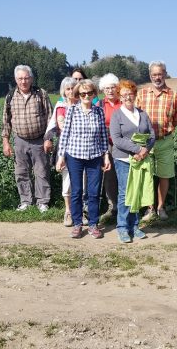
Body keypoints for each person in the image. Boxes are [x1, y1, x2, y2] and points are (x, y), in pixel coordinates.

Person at [56, 80, 111, 239]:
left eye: (89, 93)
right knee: (77, 191)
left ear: (94, 94)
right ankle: (78, 224)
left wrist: (105, 156)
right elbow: (65, 135)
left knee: (94, 193)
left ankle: (93, 224)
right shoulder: (72, 111)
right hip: (74, 156)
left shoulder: (99, 112)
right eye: (82, 94)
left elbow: (103, 136)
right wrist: (61, 157)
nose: (86, 96)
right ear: (78, 95)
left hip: (94, 157)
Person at [1, 65, 53, 213]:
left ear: (31, 78)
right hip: (20, 140)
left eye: (26, 78)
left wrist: (48, 138)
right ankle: (25, 201)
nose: (23, 81)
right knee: (21, 172)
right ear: (16, 79)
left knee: (42, 171)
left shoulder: (41, 94)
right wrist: (5, 142)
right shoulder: (10, 96)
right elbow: (5, 121)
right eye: (20, 78)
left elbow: (50, 117)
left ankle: (43, 202)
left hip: (39, 139)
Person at [136, 61, 177, 221]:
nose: (157, 77)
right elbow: (135, 118)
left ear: (165, 74)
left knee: (164, 175)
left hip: (165, 141)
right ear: (150, 76)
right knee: (147, 176)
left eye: (160, 74)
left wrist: (165, 129)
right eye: (154, 74)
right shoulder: (141, 94)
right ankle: (149, 209)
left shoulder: (174, 95)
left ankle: (161, 207)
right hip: (145, 142)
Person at [110, 80, 155, 243]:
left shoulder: (142, 114)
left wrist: (145, 151)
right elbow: (116, 139)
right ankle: (122, 227)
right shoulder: (117, 115)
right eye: (124, 94)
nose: (128, 97)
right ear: (120, 97)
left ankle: (134, 226)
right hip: (123, 159)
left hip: (140, 160)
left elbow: (152, 135)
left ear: (135, 95)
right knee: (124, 194)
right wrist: (137, 150)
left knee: (137, 192)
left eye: (130, 93)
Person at [45, 76, 78, 226]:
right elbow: (62, 126)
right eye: (68, 89)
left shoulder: (82, 104)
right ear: (64, 91)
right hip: (66, 147)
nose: (71, 91)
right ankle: (68, 212)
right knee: (68, 180)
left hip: (83, 147)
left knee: (82, 180)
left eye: (73, 88)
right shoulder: (61, 106)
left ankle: (80, 212)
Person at [98, 73, 121, 224]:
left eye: (113, 87)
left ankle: (126, 206)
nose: (110, 90)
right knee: (109, 176)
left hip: (123, 144)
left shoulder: (123, 103)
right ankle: (112, 206)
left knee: (123, 175)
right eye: (107, 88)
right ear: (103, 90)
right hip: (107, 144)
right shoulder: (100, 105)